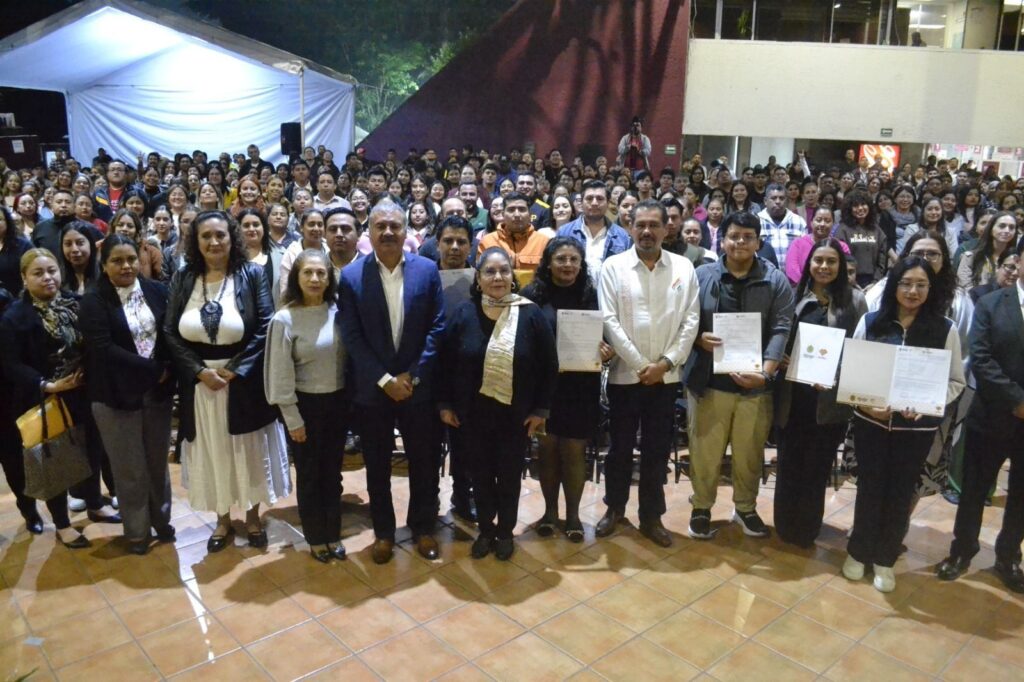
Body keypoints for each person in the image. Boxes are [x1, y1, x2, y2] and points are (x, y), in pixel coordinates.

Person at [164, 210, 291, 553]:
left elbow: (266, 324)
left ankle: (252, 517)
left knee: (248, 452)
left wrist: (236, 368)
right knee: (213, 453)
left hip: (243, 383)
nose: (214, 242)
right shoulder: (184, 277)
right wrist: (198, 370)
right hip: (200, 386)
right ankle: (222, 519)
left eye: (220, 234)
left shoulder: (251, 274)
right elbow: (169, 331)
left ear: (232, 238)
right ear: (196, 241)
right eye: (206, 236)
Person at [842, 257, 965, 593]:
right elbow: (851, 374)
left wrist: (927, 404)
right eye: (906, 283)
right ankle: (858, 552)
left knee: (900, 492)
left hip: (916, 431)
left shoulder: (945, 329)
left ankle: (885, 559)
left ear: (931, 289)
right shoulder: (871, 322)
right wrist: (866, 405)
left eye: (921, 285)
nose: (913, 291)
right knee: (869, 489)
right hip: (871, 425)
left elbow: (956, 381)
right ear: (893, 286)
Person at [338, 199, 446, 564]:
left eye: (394, 226)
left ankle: (423, 527)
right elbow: (352, 336)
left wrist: (412, 376)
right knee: (378, 464)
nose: (387, 232)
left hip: (418, 388)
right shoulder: (352, 276)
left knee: (424, 462)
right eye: (380, 226)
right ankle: (384, 532)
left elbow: (436, 328)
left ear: (405, 231)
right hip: (374, 390)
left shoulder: (427, 271)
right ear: (368, 232)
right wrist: (385, 379)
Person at [439, 247, 556, 559]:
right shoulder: (464, 313)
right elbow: (445, 363)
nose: (498, 277)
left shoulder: (530, 314)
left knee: (508, 476)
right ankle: (486, 529)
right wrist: (445, 404)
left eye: (504, 270)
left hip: (515, 416)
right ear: (478, 278)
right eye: (489, 271)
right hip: (471, 415)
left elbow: (549, 365)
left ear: (513, 276)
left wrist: (540, 410)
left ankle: (505, 531)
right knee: (479, 475)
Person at [595, 199, 700, 547]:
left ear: (667, 228)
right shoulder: (613, 267)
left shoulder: (684, 268)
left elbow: (691, 322)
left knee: (656, 450)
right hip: (626, 376)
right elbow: (609, 321)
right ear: (629, 227)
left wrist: (665, 364)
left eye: (654, 225)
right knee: (619, 448)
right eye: (640, 225)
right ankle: (615, 508)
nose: (646, 231)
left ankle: (651, 516)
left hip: (665, 379)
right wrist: (642, 366)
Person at [685, 210, 794, 540]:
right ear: (722, 240)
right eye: (734, 236)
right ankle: (701, 507)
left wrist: (766, 374)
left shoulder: (775, 279)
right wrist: (698, 338)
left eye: (748, 237)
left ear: (758, 242)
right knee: (704, 452)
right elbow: (684, 320)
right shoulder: (701, 275)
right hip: (708, 383)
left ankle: (745, 508)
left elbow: (781, 328)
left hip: (755, 386)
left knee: (749, 454)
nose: (740, 243)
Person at [80, 235, 176, 555]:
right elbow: (103, 348)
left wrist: (166, 370)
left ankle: (161, 520)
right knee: (129, 467)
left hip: (157, 392)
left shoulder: (157, 290)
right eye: (117, 261)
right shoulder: (93, 300)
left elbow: (169, 334)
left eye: (131, 259)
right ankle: (137, 531)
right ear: (104, 264)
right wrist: (153, 369)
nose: (126, 266)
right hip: (115, 395)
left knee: (156, 463)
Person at [0, 249, 102, 549]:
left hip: (82, 391)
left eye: (52, 270)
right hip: (45, 397)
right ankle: (62, 524)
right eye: (38, 273)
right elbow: (11, 365)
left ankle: (95, 504)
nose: (47, 277)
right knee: (55, 459)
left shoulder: (76, 303)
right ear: (24, 278)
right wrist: (49, 385)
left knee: (91, 449)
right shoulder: (14, 317)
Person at [937, 254, 1024, 593]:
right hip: (991, 416)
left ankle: (1008, 555)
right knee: (973, 489)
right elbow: (982, 359)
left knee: (1021, 495)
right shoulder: (991, 303)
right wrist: (1017, 401)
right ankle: (962, 550)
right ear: (1019, 261)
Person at [774, 239, 866, 547]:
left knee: (817, 468)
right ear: (809, 264)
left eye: (831, 261)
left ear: (841, 265)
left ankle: (807, 528)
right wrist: (780, 357)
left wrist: (836, 376)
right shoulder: (794, 295)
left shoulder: (855, 300)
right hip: (793, 399)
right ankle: (785, 525)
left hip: (828, 403)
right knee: (789, 464)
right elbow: (779, 335)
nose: (824, 267)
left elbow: (861, 349)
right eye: (818, 260)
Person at [522, 238, 611, 542]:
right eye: (561, 259)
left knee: (574, 451)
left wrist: (605, 350)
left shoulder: (593, 295)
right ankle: (549, 513)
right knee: (547, 451)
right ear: (548, 263)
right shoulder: (531, 296)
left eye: (574, 259)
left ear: (581, 264)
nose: (568, 265)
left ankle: (573, 515)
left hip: (580, 387)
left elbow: (607, 335)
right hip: (543, 388)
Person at [265, 249, 348, 563]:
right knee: (311, 474)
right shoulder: (284, 319)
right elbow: (279, 373)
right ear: (296, 278)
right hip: (305, 406)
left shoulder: (338, 311)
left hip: (337, 402)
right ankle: (315, 537)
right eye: (308, 273)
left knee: (333, 473)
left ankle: (333, 532)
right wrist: (292, 418)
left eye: (321, 273)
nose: (315, 279)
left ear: (329, 278)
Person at [556, 180, 631, 280]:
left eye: (600, 199)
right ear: (581, 203)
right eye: (589, 198)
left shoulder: (622, 236)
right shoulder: (564, 232)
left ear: (608, 203)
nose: (594, 203)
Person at [477, 192, 551, 272]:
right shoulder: (487, 242)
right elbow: (481, 274)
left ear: (530, 215)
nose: (517, 215)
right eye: (511, 210)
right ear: (503, 214)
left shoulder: (544, 242)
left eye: (522, 209)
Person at [784, 206, 852, 286]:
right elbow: (792, 270)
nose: (822, 224)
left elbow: (846, 270)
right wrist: (810, 288)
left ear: (833, 224)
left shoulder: (842, 246)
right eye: (819, 220)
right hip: (803, 289)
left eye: (827, 221)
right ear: (811, 222)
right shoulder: (798, 243)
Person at [834, 190, 888, 287]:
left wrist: (875, 282)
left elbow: (882, 260)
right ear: (849, 209)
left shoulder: (877, 230)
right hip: (849, 281)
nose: (860, 208)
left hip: (873, 282)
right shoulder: (842, 230)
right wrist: (851, 281)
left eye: (863, 204)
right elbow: (840, 258)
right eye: (855, 206)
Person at [957, 211, 1018, 289]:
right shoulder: (970, 258)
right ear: (991, 229)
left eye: (1011, 227)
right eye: (1002, 226)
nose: (1007, 230)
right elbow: (965, 289)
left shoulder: (1018, 261)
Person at [757, 183, 807, 266]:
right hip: (764, 272)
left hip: (792, 273)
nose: (778, 201)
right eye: (773, 198)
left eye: (782, 198)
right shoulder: (757, 221)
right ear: (765, 201)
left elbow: (804, 251)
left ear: (786, 201)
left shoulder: (799, 221)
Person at [109, 208, 163, 280]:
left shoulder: (150, 251)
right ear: (113, 228)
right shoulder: (103, 248)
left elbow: (162, 279)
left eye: (130, 226)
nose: (124, 229)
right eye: (120, 225)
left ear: (137, 230)